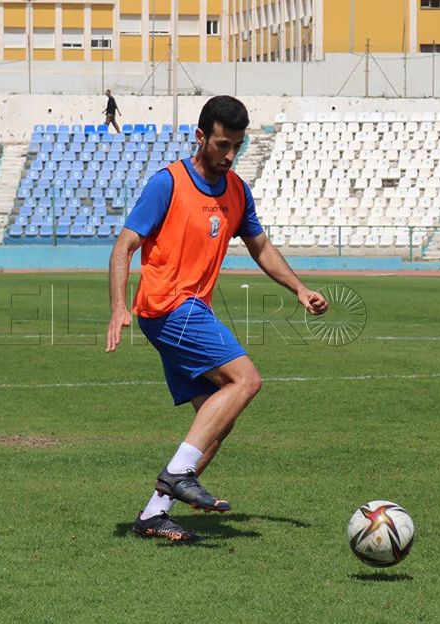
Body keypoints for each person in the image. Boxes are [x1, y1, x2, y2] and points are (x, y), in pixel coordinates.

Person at [107, 95, 328, 543]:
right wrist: (118, 306)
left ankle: (154, 515)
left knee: (214, 420)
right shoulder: (168, 183)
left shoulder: (237, 191)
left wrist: (299, 289)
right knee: (246, 380)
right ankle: (178, 475)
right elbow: (124, 246)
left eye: (237, 147)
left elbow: (261, 247)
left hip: (188, 310)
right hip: (170, 306)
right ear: (201, 137)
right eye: (223, 145)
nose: (230, 155)